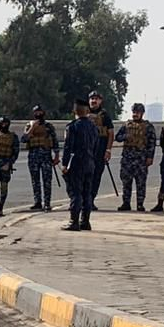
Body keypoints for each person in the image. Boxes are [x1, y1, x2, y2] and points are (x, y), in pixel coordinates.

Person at [62, 98, 98, 231]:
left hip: (77, 162)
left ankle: (74, 221)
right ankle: (86, 221)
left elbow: (68, 147)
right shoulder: (93, 126)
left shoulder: (72, 127)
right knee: (87, 193)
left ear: (74, 110)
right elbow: (96, 146)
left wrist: (65, 164)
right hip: (90, 162)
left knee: (75, 192)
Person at [115, 102, 157, 212]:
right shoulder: (126, 125)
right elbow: (118, 137)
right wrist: (126, 136)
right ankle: (126, 203)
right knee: (126, 182)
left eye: (137, 112)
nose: (135, 114)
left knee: (141, 183)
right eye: (134, 112)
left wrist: (150, 157)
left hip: (141, 159)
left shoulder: (148, 127)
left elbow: (152, 143)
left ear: (142, 113)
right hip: (128, 159)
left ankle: (140, 204)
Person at [22, 105, 60, 211]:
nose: (38, 114)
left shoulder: (49, 126)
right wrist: (32, 128)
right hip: (33, 157)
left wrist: (56, 156)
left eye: (40, 112)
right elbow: (24, 139)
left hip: (46, 157)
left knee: (47, 181)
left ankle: (47, 203)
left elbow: (55, 142)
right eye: (36, 112)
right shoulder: (29, 125)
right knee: (35, 181)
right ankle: (37, 202)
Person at [87, 91, 115, 209]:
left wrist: (108, 150)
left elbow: (110, 133)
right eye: (92, 98)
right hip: (85, 152)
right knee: (82, 177)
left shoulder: (105, 116)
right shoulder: (84, 114)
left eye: (96, 99)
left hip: (99, 152)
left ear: (100, 101)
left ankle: (90, 200)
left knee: (96, 177)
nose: (94, 101)